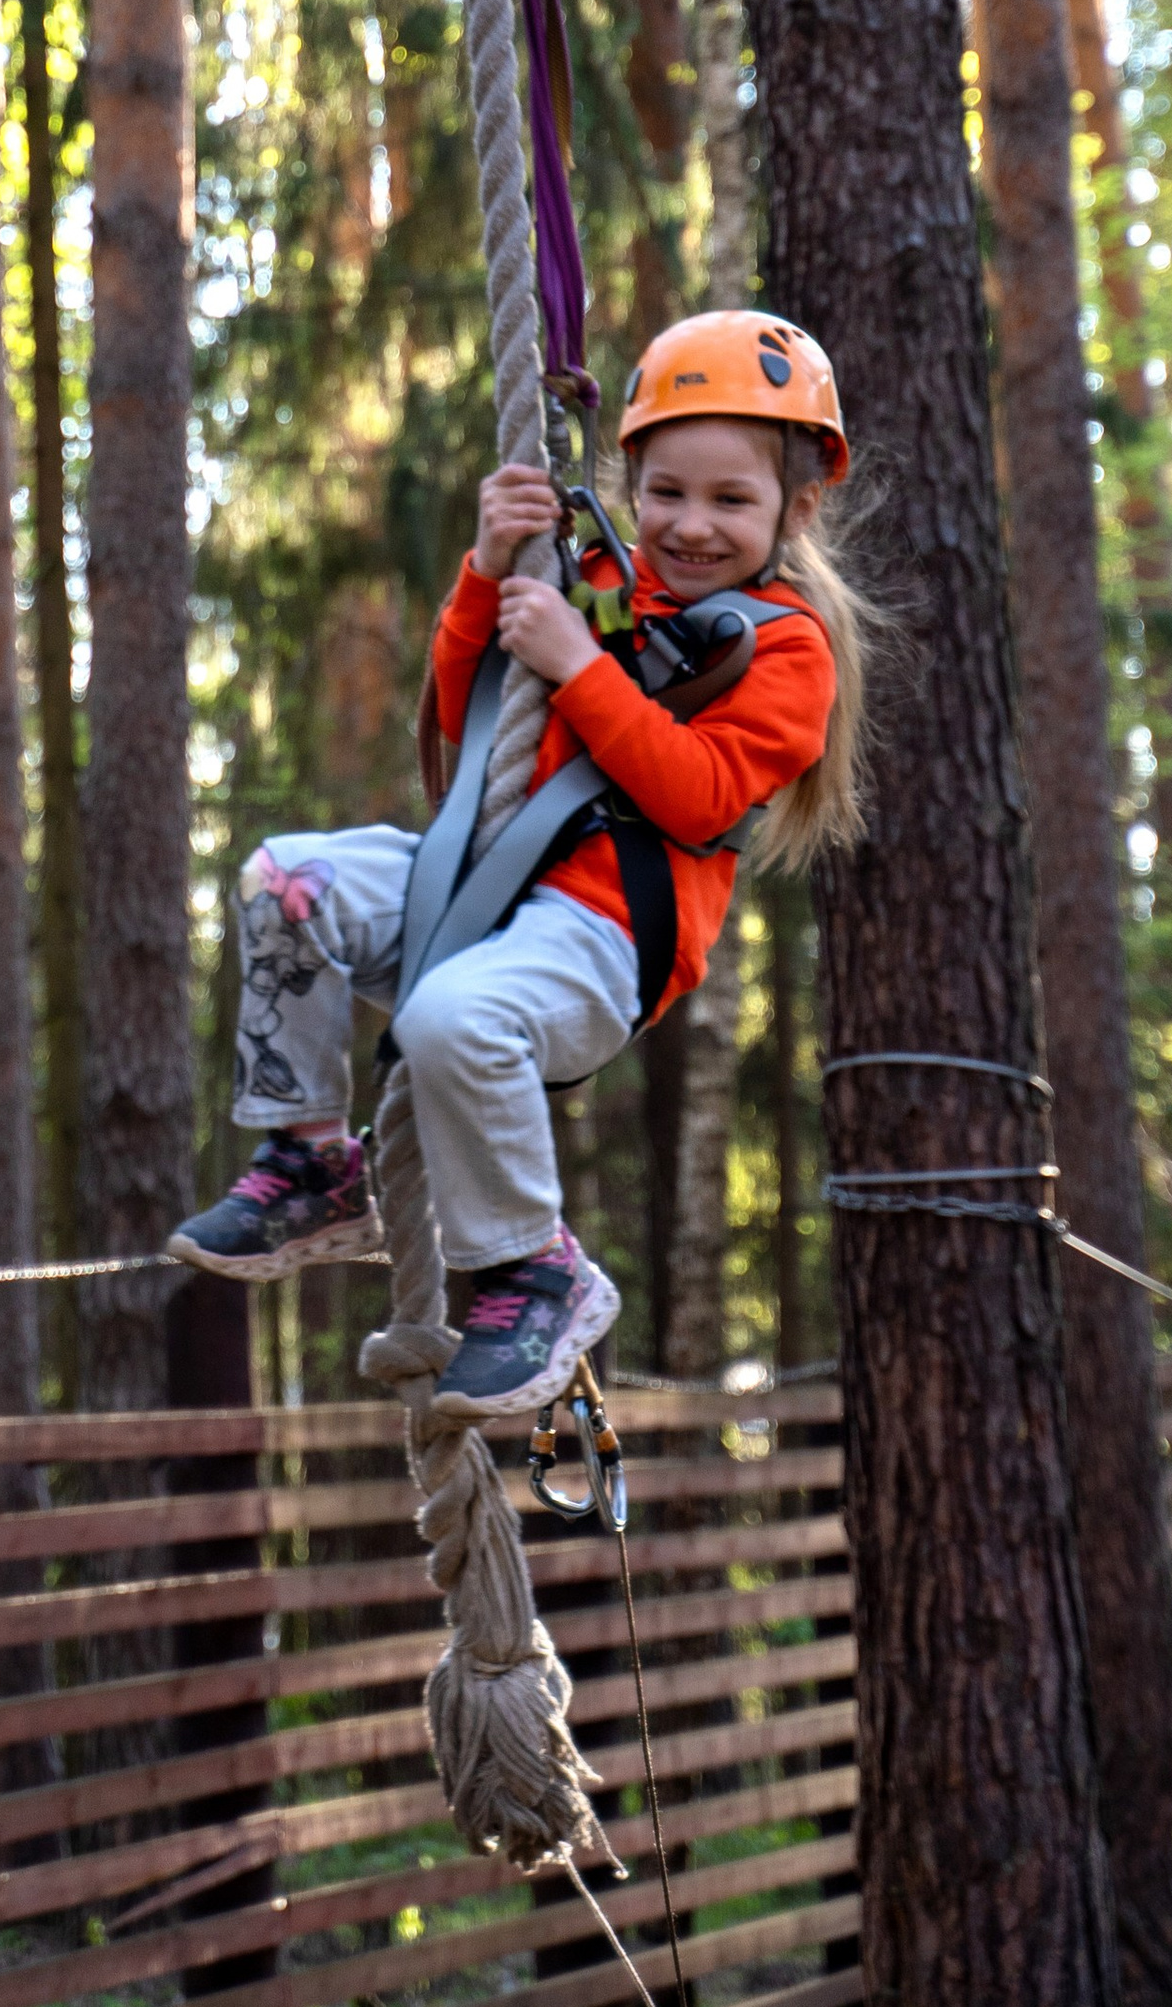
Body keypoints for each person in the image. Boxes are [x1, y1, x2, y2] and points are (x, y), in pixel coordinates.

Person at [169, 312, 875, 1427]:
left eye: (728, 501)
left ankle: (533, 1267)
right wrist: (488, 566)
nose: (689, 527)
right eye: (666, 493)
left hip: (598, 939)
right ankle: (313, 1161)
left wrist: (580, 665)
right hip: (477, 886)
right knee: (285, 876)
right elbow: (469, 716)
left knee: (452, 1018)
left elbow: (693, 795)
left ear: (797, 507)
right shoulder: (590, 567)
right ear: (630, 479)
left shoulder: (784, 647)